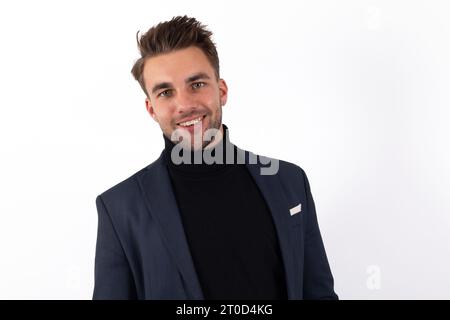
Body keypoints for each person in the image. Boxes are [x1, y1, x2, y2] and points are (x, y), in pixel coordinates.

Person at [93, 15, 338, 300]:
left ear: (221, 90)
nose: (184, 105)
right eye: (165, 92)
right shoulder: (120, 208)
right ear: (151, 108)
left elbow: (318, 293)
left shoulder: (289, 181)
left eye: (196, 84)